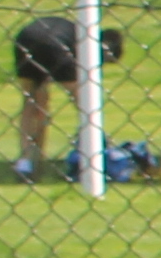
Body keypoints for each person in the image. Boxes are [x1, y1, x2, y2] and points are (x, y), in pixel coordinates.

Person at [11, 11, 124, 178]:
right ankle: (103, 148)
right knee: (84, 102)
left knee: (31, 103)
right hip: (56, 44)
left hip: (26, 39)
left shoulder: (76, 31)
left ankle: (27, 161)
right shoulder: (90, 45)